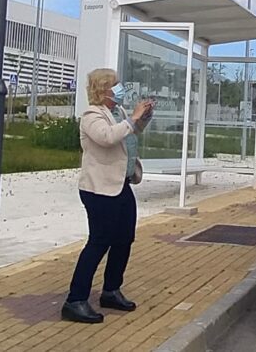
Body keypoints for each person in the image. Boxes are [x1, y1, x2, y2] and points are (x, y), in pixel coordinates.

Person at [61, 68, 154, 324]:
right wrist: (132, 118)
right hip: (99, 190)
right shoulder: (92, 115)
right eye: (116, 85)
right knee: (99, 241)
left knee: (124, 239)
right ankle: (75, 299)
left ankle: (111, 290)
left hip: (121, 185)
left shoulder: (119, 113)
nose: (120, 89)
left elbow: (131, 132)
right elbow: (107, 138)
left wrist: (143, 117)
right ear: (104, 90)